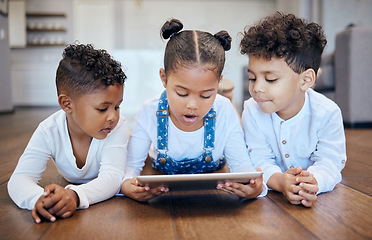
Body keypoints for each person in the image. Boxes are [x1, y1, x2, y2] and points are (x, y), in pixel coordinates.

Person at [121, 19, 266, 202]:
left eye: (206, 95)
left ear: (218, 82)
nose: (192, 105)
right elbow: (130, 169)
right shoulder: (150, 111)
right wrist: (127, 186)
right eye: (182, 93)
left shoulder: (224, 110)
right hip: (162, 199)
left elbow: (242, 166)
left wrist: (252, 185)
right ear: (164, 78)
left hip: (215, 198)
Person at [7, 43, 128, 223]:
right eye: (103, 109)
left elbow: (112, 178)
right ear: (67, 104)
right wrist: (42, 200)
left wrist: (74, 195)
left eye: (117, 106)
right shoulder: (48, 130)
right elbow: (20, 179)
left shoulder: (117, 127)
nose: (113, 116)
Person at [240, 12, 347, 207]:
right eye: (252, 78)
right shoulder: (252, 111)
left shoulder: (328, 113)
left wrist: (311, 182)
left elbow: (331, 162)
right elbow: (258, 159)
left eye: (271, 79)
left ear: (306, 80)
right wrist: (280, 182)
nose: (257, 88)